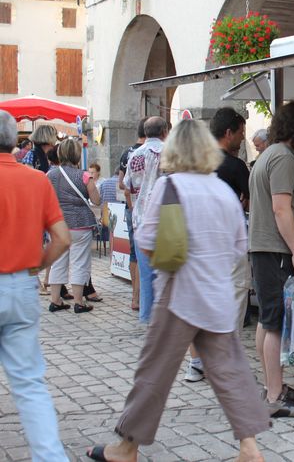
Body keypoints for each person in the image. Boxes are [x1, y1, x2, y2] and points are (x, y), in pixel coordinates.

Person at [85, 119, 270, 462]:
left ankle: (127, 447)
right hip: (217, 296)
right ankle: (250, 448)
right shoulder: (224, 192)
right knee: (231, 374)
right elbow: (236, 246)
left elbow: (147, 241)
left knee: (153, 372)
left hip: (179, 294)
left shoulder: (169, 188)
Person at [0, 111, 72, 461]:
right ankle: (51, 456)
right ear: (14, 141)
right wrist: (37, 266)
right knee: (29, 384)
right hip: (21, 287)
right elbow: (61, 238)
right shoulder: (36, 180)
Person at [249, 100, 294, 418]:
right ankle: (275, 397)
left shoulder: (267, 155)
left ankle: (271, 384)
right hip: (275, 249)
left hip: (262, 248)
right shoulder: (284, 158)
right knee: (274, 324)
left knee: (267, 319)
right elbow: (281, 207)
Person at [181, 107, 250, 383]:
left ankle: (197, 363)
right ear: (229, 133)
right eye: (241, 134)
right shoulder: (234, 165)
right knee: (233, 299)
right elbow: (250, 198)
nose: (242, 140)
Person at [46, 138, 102, 314]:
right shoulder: (84, 176)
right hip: (81, 225)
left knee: (58, 262)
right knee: (80, 262)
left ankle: (55, 300)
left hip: (58, 225)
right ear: (78, 155)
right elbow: (96, 200)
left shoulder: (50, 175)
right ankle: (79, 302)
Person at [124, 116, 168, 323]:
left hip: (141, 218)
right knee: (167, 273)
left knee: (146, 273)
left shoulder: (135, 155)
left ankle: (147, 316)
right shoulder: (168, 153)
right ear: (164, 132)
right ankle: (165, 318)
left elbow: (127, 184)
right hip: (165, 218)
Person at [119, 118, 146, 311]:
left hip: (131, 208)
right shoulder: (156, 153)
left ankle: (135, 297)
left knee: (134, 252)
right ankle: (140, 297)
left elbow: (122, 184)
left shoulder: (127, 153)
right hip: (147, 210)